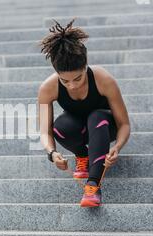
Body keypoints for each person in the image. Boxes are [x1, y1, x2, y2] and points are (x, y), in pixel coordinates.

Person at [38, 19, 131, 207]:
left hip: (104, 127)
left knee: (96, 116)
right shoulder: (47, 88)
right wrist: (52, 153)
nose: (72, 85)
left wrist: (118, 146)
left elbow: (124, 124)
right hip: (79, 129)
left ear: (86, 66)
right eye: (65, 81)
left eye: (78, 78)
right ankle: (82, 155)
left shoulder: (103, 79)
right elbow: (44, 131)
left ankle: (93, 186)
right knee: (60, 127)